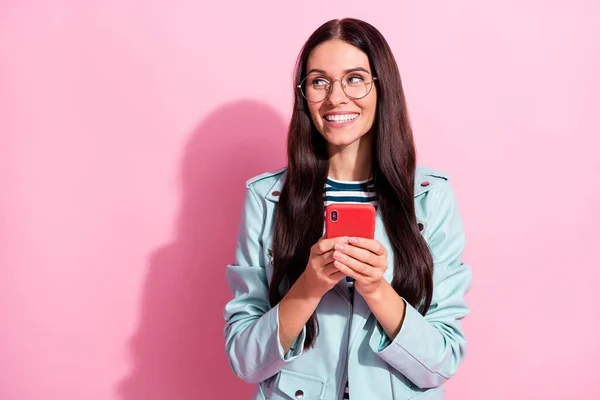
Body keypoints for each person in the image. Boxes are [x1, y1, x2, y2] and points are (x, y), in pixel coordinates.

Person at [223, 17, 472, 400]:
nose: (336, 97)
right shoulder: (267, 197)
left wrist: (375, 288)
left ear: (380, 87)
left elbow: (441, 362)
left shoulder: (429, 197)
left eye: (354, 78)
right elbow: (245, 359)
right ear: (304, 93)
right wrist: (309, 285)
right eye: (319, 81)